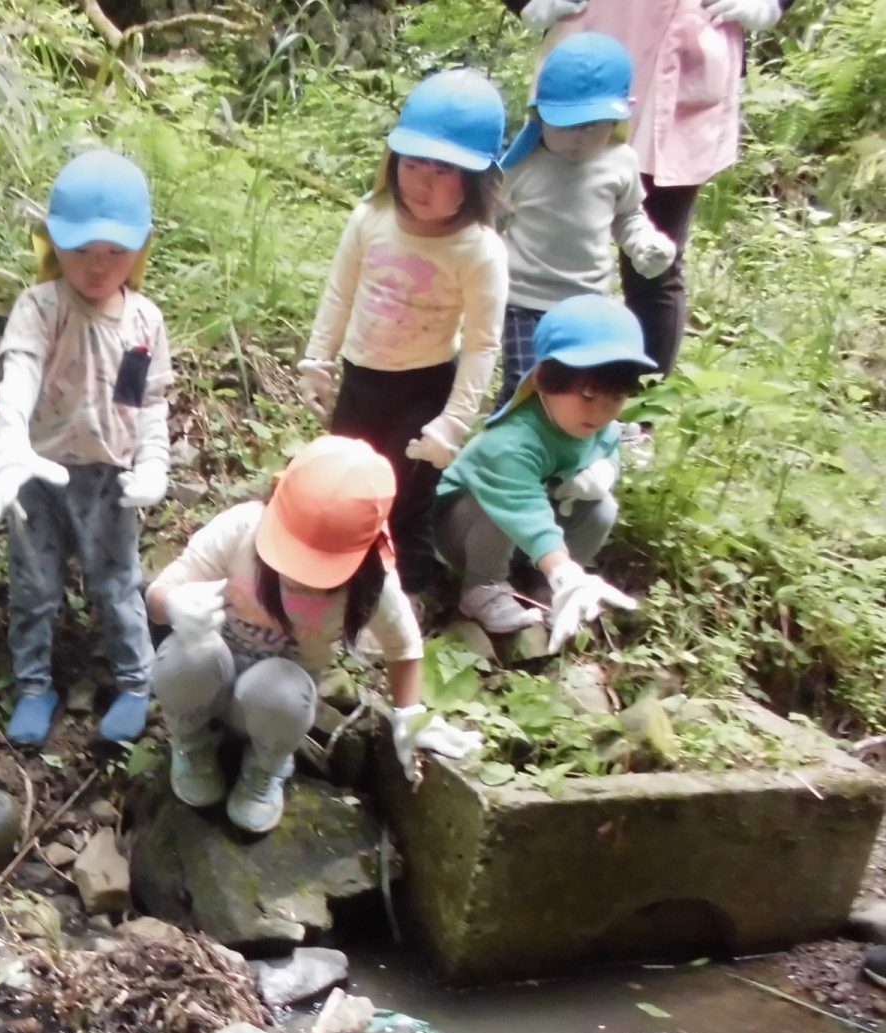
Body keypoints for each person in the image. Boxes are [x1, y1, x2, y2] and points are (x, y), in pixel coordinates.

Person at [147, 436, 482, 835]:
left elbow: (404, 646)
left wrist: (409, 715)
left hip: (274, 706)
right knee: (187, 654)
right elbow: (158, 596)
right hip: (207, 683)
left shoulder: (371, 585)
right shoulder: (240, 531)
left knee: (280, 690)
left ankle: (265, 767)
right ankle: (191, 745)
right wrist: (173, 605)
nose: (298, 577)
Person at [0, 150, 172, 747]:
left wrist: (153, 461)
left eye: (115, 251)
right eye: (82, 250)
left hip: (110, 475)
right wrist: (9, 443)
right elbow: (20, 371)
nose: (97, 265)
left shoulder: (143, 321)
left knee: (116, 583)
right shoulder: (42, 307)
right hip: (39, 470)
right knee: (34, 584)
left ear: (139, 247)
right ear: (54, 242)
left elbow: (147, 400)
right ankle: (34, 685)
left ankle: (136, 681)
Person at [299, 69, 510, 594]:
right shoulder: (371, 217)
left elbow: (482, 343)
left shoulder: (479, 251)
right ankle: (336, 580)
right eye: (411, 163)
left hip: (425, 387)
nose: (421, 182)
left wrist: (452, 424)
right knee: (344, 478)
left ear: (477, 179)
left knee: (405, 495)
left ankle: (405, 596)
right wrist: (318, 359)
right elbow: (339, 293)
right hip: (361, 378)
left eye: (443, 170)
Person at [506, 0, 793, 377]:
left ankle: (641, 401)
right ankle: (538, 389)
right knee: (548, 232)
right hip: (583, 62)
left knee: (654, 264)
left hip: (685, 58)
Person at [434, 294, 654, 648]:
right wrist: (562, 570)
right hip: (467, 535)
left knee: (602, 508)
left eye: (614, 398)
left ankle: (545, 586)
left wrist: (605, 471)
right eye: (587, 395)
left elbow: (609, 445)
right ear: (545, 379)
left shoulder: (601, 429)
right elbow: (523, 510)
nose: (600, 412)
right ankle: (483, 586)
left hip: (534, 541)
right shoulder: (511, 443)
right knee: (496, 510)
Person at [496, 33, 678, 408]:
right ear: (539, 116)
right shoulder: (522, 164)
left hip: (587, 299)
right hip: (522, 298)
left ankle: (568, 442)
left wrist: (644, 244)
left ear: (618, 117)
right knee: (523, 381)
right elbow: (491, 218)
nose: (578, 138)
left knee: (574, 388)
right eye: (565, 125)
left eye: (593, 126)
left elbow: (628, 216)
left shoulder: (620, 162)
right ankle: (505, 440)